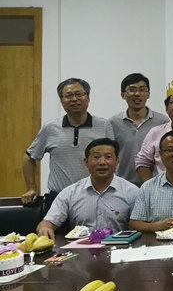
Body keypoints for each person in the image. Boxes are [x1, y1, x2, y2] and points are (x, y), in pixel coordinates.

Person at [22, 78, 115, 211]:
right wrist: (31, 188)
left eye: (79, 94)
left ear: (88, 98)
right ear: (61, 101)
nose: (74, 99)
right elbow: (29, 157)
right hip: (58, 198)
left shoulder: (104, 126)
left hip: (95, 196)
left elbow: (112, 160)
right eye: (68, 95)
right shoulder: (50, 128)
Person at [36, 138, 140, 239]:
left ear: (117, 161)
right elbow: (47, 222)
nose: (102, 162)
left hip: (119, 248)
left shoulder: (132, 192)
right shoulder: (70, 193)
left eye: (108, 157)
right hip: (81, 248)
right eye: (96, 157)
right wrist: (45, 228)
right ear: (86, 162)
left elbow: (139, 227)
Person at [109, 73, 170, 185]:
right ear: (123, 95)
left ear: (148, 94)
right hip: (123, 182)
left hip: (155, 181)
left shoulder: (162, 121)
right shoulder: (113, 123)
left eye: (142, 90)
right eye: (132, 90)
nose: (137, 94)